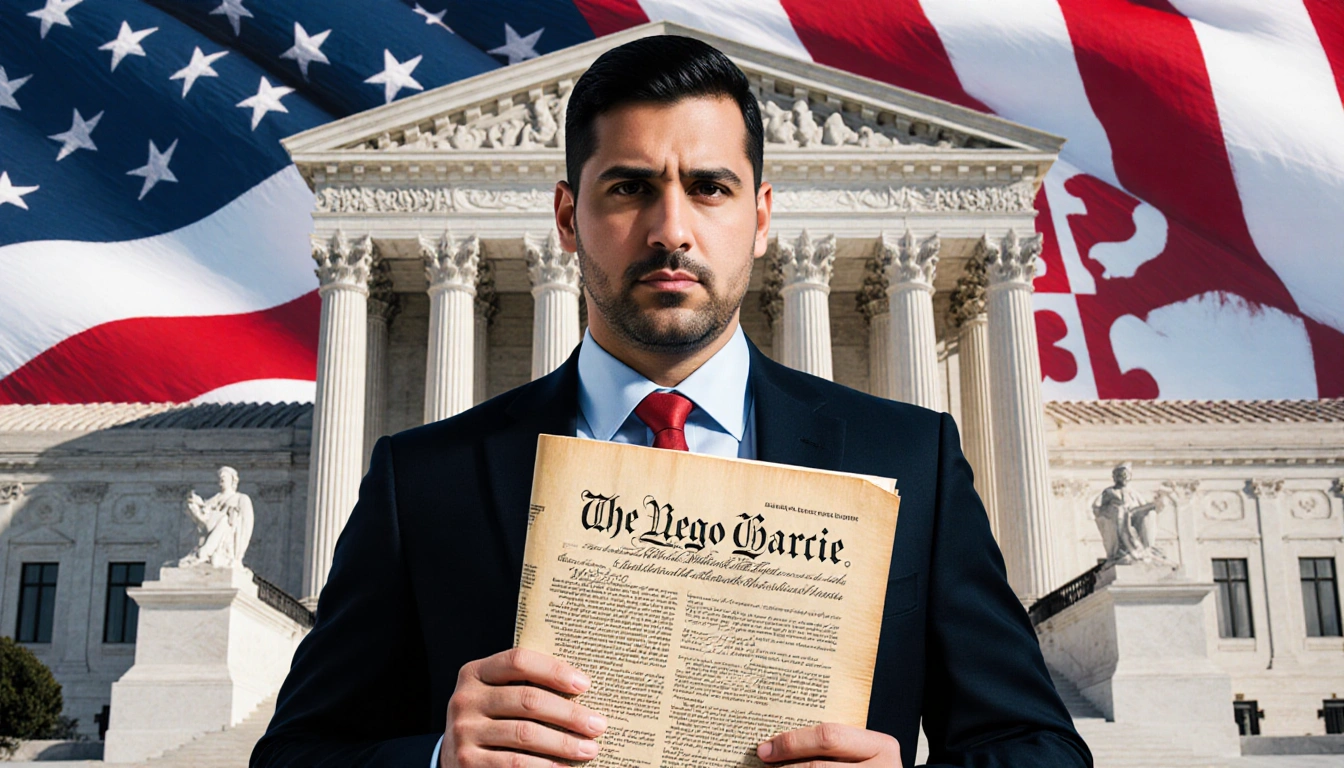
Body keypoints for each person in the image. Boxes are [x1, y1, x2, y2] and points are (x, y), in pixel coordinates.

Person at [252, 35, 1091, 768]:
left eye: (710, 188)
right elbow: (293, 755)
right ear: (566, 217)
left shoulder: (911, 462)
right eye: (627, 188)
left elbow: (1041, 747)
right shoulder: (425, 480)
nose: (671, 230)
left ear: (762, 219)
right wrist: (439, 758)